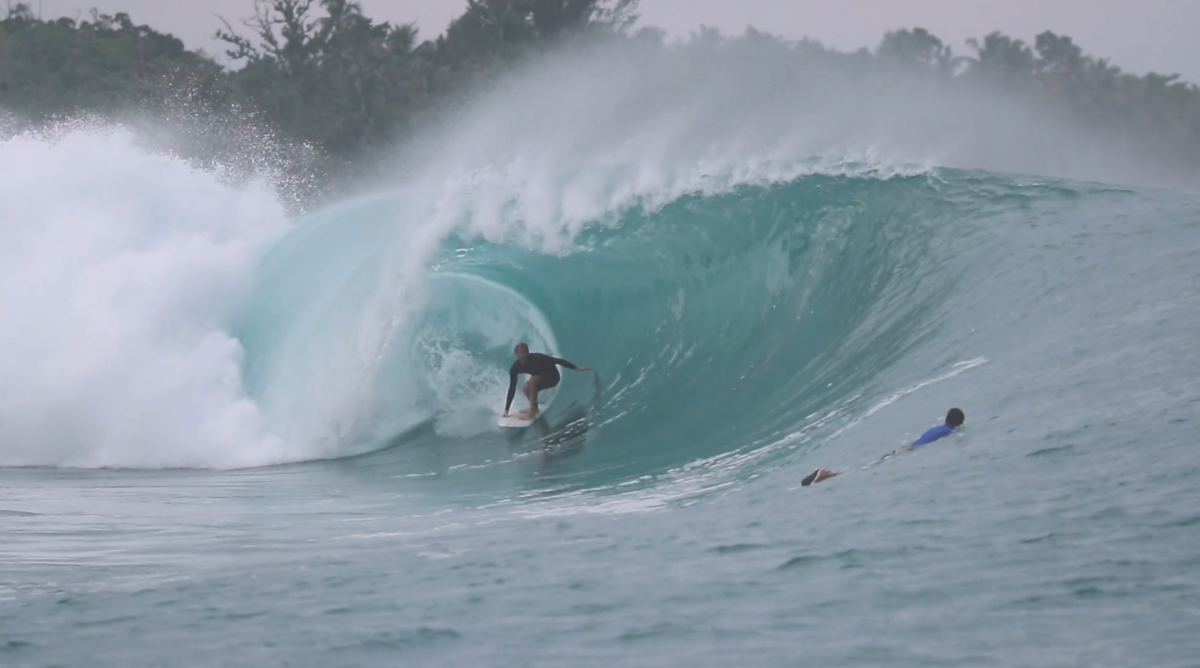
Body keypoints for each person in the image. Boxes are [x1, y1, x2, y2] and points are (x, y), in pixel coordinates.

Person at [801, 408, 965, 486]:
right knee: (864, 470)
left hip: (905, 449)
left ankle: (828, 474)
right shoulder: (949, 432)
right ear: (959, 423)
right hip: (910, 452)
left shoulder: (937, 428)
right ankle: (827, 474)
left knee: (870, 466)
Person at [503, 343, 593, 420]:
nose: (522, 355)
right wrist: (507, 410)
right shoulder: (515, 367)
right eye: (520, 353)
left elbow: (557, 361)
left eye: (524, 352)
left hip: (553, 377)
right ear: (516, 354)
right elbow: (512, 388)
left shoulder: (537, 358)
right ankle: (534, 407)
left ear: (527, 352)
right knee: (525, 387)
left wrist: (576, 368)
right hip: (540, 380)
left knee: (533, 380)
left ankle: (532, 412)